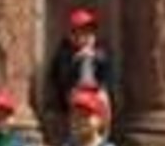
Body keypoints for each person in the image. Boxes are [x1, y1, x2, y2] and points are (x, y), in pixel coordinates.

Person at [48, 8, 117, 136]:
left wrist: (96, 57)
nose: (87, 36)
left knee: (104, 100)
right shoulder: (64, 51)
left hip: (96, 90)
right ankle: (77, 135)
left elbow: (109, 74)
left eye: (89, 32)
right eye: (83, 32)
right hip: (75, 90)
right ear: (73, 35)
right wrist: (76, 60)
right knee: (78, 104)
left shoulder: (101, 49)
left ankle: (103, 135)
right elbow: (61, 79)